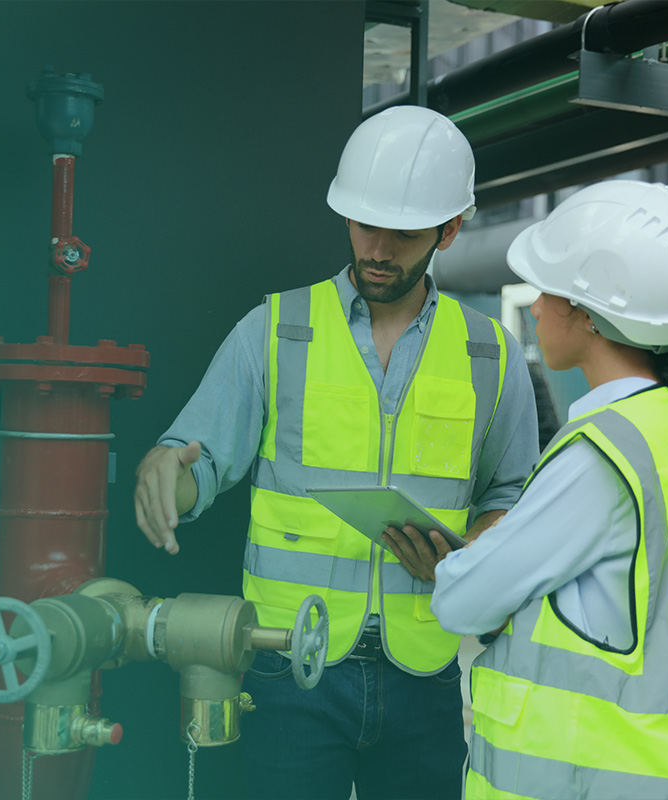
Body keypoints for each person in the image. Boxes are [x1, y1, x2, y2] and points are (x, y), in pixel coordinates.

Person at [133, 104, 540, 800]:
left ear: (450, 229)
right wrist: (166, 472)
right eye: (363, 224)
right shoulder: (275, 330)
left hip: (425, 673)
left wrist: (473, 550)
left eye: (403, 233)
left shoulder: (490, 354)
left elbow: (511, 497)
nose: (377, 247)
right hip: (288, 666)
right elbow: (196, 460)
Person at [421, 180, 668, 800]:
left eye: (545, 291)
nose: (532, 308)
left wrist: (464, 557)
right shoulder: (665, 422)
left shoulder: (601, 456)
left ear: (587, 313)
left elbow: (462, 602)